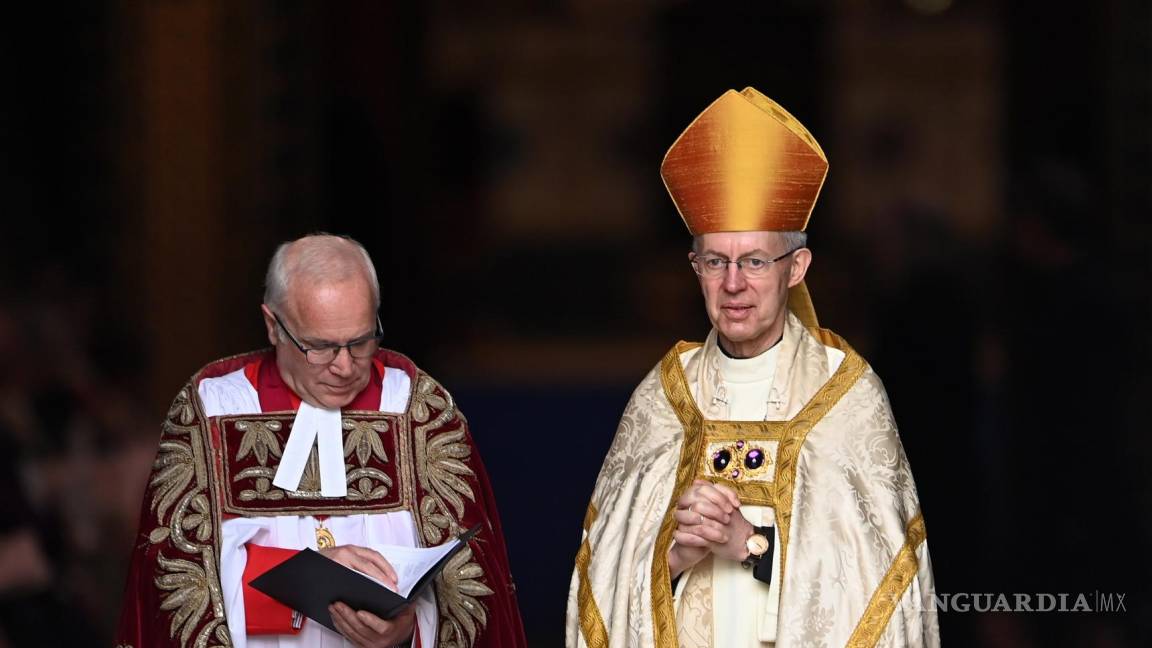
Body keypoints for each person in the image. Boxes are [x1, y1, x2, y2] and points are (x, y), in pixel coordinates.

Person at [565, 88, 939, 647]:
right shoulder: (664, 397)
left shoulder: (845, 395)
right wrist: (673, 555)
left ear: (797, 268)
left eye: (755, 261)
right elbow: (600, 581)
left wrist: (751, 548)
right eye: (716, 261)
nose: (733, 284)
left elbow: (882, 590)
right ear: (695, 268)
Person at [116, 234, 527, 648]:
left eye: (361, 341)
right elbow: (174, 580)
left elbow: (473, 588)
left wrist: (409, 628)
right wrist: (304, 576)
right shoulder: (213, 410)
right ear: (273, 326)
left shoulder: (418, 411)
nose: (345, 366)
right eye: (320, 347)